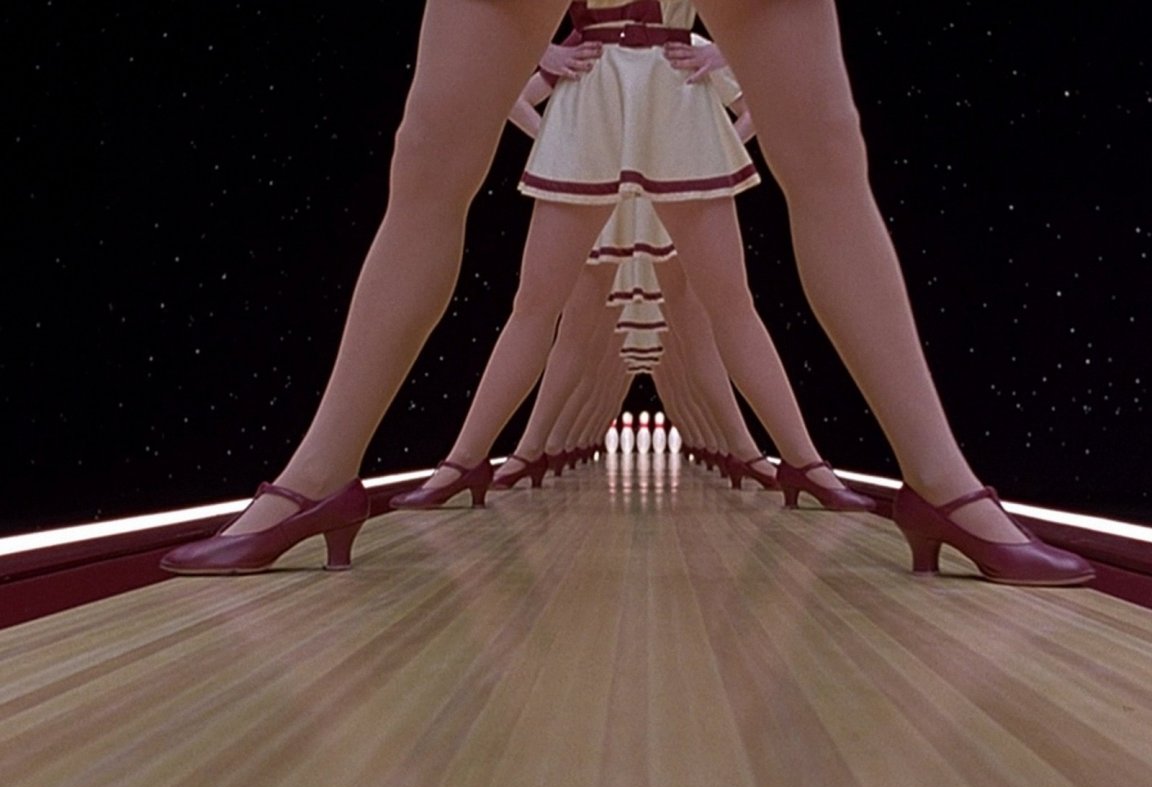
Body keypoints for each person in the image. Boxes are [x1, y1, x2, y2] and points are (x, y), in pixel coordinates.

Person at [161, 0, 1093, 586]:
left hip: (664, 81)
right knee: (430, 165)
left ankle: (934, 482)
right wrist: (544, 73)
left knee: (827, 161)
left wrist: (718, 73)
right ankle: (324, 479)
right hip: (600, 81)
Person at [392, 19, 873, 512]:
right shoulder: (583, 49)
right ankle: (467, 460)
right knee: (536, 306)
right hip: (595, 101)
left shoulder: (693, 44)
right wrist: (542, 53)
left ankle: (802, 461)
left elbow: (765, 36)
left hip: (673, 100)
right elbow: (508, 39)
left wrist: (729, 54)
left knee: (730, 306)